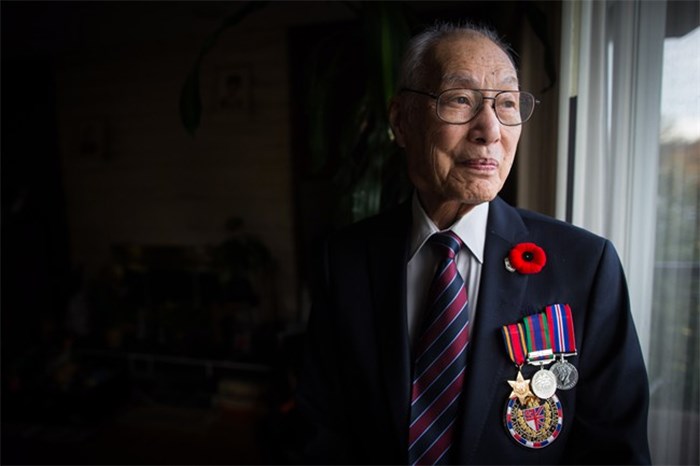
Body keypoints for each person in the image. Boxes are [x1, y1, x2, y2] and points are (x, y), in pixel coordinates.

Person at [295, 21, 650, 465]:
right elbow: (320, 435)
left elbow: (617, 452)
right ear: (401, 121)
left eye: (507, 104)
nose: (490, 130)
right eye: (460, 100)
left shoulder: (586, 265)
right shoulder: (344, 260)